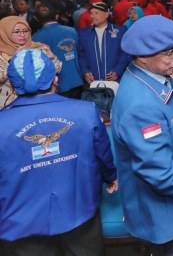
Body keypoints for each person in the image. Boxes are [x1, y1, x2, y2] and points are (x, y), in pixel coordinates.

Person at [0, 48, 117, 255]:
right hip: (79, 214)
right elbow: (103, 156)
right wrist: (110, 177)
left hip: (19, 225)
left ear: (12, 85)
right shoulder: (86, 111)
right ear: (55, 79)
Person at [110, 16, 173, 255]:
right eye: (169, 53)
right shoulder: (141, 105)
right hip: (165, 214)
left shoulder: (157, 76)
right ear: (142, 56)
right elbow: (158, 171)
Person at [0, 16, 62, 109]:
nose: (22, 35)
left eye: (25, 31)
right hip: (10, 104)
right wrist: (13, 61)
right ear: (5, 33)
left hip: (40, 101)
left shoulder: (38, 47)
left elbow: (56, 71)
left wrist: (53, 58)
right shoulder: (1, 53)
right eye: (16, 32)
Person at [31, 5, 84, 99]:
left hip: (56, 84)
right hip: (77, 80)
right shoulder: (72, 31)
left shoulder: (36, 38)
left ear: (36, 18)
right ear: (57, 16)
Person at [77, 2, 129, 84]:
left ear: (106, 14)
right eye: (91, 13)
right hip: (94, 81)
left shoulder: (120, 31)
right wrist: (85, 71)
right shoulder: (84, 33)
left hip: (115, 80)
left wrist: (118, 70)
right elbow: (82, 55)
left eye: (96, 13)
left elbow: (125, 53)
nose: (92, 16)